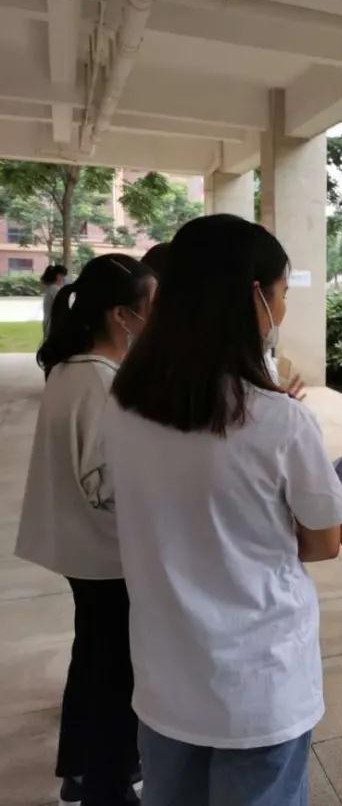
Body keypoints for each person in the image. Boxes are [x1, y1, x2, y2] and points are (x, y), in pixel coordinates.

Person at [103, 214, 342, 806]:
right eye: (282, 292)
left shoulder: (124, 403)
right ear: (254, 297)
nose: (284, 309)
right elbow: (322, 545)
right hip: (258, 685)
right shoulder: (278, 420)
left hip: (167, 679)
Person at [16, 255, 155, 806]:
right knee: (116, 677)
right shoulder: (102, 383)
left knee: (94, 658)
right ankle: (107, 788)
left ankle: (79, 771)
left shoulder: (69, 369)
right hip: (107, 557)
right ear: (122, 315)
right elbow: (107, 485)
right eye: (152, 307)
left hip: (82, 552)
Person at [41, 263, 69, 336]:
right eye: (63, 276)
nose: (64, 279)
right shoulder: (54, 289)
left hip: (50, 326)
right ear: (58, 276)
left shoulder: (51, 288)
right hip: (53, 326)